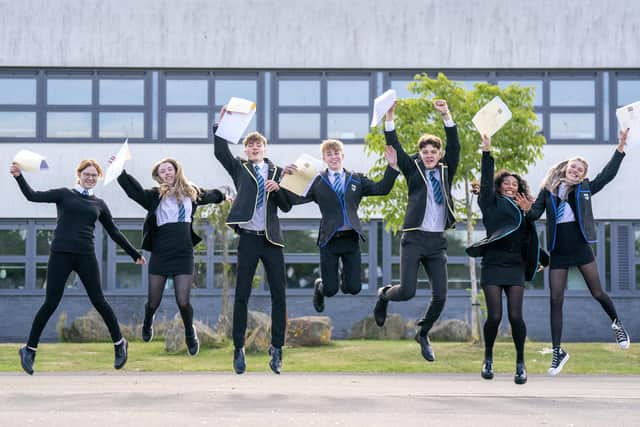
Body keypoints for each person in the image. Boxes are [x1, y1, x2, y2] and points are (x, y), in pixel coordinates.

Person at [11, 160, 145, 375]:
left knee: (99, 300)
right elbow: (32, 195)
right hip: (61, 254)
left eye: (94, 175)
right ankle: (29, 350)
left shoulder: (99, 204)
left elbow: (114, 232)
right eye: (87, 174)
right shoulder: (64, 194)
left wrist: (134, 254)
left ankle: (120, 343)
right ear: (79, 175)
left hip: (85, 255)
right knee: (51, 302)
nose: (90, 178)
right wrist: (18, 176)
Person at [527, 128, 631, 376]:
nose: (575, 171)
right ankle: (557, 351)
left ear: (582, 174)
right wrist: (523, 208)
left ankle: (617, 324)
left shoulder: (585, 189)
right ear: (565, 168)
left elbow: (607, 176)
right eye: (573, 167)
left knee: (597, 291)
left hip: (580, 248)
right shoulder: (547, 192)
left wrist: (620, 148)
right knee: (555, 300)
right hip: (559, 251)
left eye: (580, 170)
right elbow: (533, 215)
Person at [373, 99, 460, 363]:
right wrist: (389, 118)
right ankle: (384, 295)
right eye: (425, 152)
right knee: (407, 291)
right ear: (420, 155)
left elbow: (455, 144)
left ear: (440, 154)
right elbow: (395, 148)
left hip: (436, 242)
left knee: (441, 296)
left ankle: (422, 333)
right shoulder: (412, 171)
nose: (429, 155)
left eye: (434, 151)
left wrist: (446, 113)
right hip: (413, 238)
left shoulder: (447, 170)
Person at [116, 158, 225, 356]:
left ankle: (190, 333)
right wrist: (120, 172)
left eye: (169, 169)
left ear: (176, 171)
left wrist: (225, 195)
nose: (167, 173)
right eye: (162, 171)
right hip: (161, 252)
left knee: (183, 301)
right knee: (153, 302)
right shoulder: (155, 195)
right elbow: (135, 192)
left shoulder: (191, 192)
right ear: (158, 177)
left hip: (183, 253)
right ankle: (148, 321)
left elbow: (211, 195)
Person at [213, 106, 292, 375]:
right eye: (250, 144)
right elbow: (220, 151)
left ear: (265, 148)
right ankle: (238, 348)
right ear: (246, 150)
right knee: (242, 295)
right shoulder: (240, 168)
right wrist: (221, 123)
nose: (255, 147)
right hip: (248, 239)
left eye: (259, 144)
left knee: (279, 295)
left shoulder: (279, 172)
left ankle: (277, 348)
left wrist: (278, 188)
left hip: (272, 241)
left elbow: (286, 206)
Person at [466, 134, 548, 385]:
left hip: (515, 266)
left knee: (515, 317)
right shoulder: (490, 202)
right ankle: (488, 358)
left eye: (515, 183)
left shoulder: (525, 209)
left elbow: (528, 238)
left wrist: (541, 259)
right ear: (499, 186)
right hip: (493, 264)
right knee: (494, 317)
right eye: (507, 183)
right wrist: (486, 150)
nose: (511, 186)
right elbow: (486, 177)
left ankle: (520, 364)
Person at [283, 139, 399, 312]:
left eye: (336, 153)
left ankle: (343, 278)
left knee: (354, 288)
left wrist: (392, 167)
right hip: (329, 240)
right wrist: (286, 178)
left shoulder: (356, 179)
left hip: (351, 239)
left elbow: (382, 188)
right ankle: (319, 286)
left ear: (342, 155)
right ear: (324, 158)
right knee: (330, 290)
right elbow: (291, 200)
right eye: (329, 154)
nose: (333, 156)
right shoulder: (317, 182)